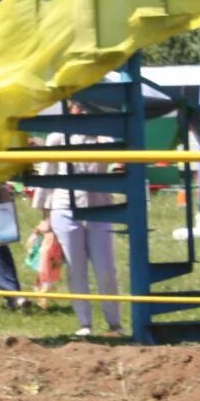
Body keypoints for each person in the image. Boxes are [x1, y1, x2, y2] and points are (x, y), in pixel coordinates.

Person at [32, 103, 123, 337]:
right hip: (65, 207)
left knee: (105, 269)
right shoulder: (57, 138)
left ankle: (114, 324)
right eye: (77, 105)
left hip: (99, 206)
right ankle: (85, 324)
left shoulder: (104, 137)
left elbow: (119, 159)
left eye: (87, 106)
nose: (82, 110)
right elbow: (48, 175)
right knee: (76, 268)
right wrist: (45, 217)